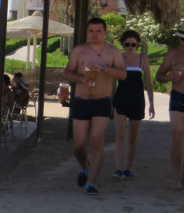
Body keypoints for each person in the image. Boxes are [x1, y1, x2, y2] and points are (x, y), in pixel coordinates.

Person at [63, 17, 126, 195]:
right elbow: (67, 72)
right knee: (78, 145)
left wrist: (104, 67)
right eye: (91, 31)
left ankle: (92, 182)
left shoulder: (113, 52)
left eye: (98, 31)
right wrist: (80, 78)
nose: (94, 34)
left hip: (102, 100)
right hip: (81, 100)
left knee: (97, 140)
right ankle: (85, 167)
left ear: (105, 32)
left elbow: (123, 75)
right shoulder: (79, 50)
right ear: (87, 32)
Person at [111, 30, 154, 180]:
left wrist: (152, 103)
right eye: (127, 44)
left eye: (133, 44)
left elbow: (148, 83)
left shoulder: (143, 60)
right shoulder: (118, 59)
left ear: (138, 44)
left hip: (137, 100)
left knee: (132, 137)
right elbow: (112, 82)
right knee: (120, 135)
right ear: (123, 44)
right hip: (121, 99)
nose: (130, 47)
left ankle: (127, 168)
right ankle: (118, 168)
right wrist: (109, 101)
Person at [155, 22, 184, 189]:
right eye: (182, 38)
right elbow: (159, 75)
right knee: (177, 135)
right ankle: (177, 177)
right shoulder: (173, 54)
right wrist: (168, 78)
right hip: (178, 97)